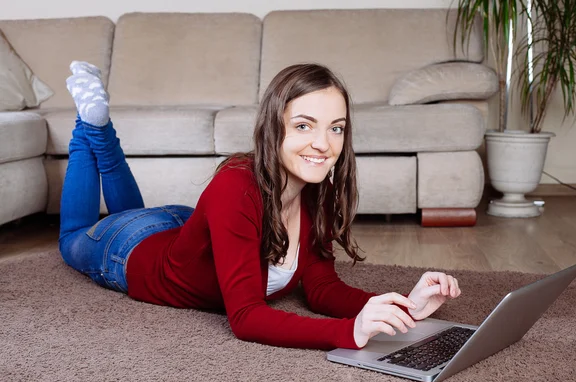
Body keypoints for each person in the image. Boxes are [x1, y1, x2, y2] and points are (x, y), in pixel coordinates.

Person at [59, 61, 462, 350]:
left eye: (335, 128)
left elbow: (320, 288)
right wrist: (348, 332)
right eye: (304, 125)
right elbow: (246, 318)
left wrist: (404, 306)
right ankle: (89, 122)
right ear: (274, 127)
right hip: (128, 251)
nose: (324, 144)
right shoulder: (236, 187)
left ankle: (96, 123)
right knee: (74, 236)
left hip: (180, 225)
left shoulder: (313, 185)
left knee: (131, 211)